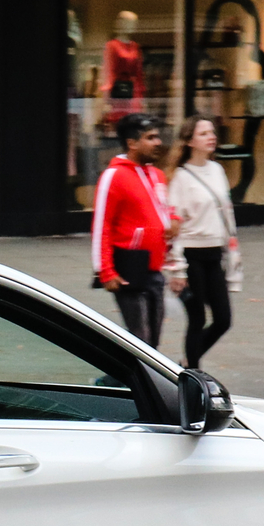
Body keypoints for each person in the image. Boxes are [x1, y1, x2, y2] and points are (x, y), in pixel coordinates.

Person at [164, 115, 241, 368]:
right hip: (191, 255)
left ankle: (186, 363)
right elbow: (173, 225)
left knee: (223, 319)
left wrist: (232, 252)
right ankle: (193, 373)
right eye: (204, 133)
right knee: (196, 318)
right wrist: (177, 268)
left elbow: (227, 214)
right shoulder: (180, 177)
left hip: (214, 253)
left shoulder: (217, 170)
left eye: (212, 132)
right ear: (189, 141)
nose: (212, 137)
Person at [92, 112, 170, 349]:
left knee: (152, 342)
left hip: (155, 268)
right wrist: (105, 271)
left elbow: (163, 208)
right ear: (132, 143)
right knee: (141, 341)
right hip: (129, 268)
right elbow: (101, 225)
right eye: (151, 137)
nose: (158, 142)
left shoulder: (157, 175)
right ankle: (116, 383)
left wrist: (173, 219)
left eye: (157, 137)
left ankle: (120, 382)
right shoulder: (113, 176)